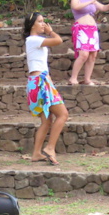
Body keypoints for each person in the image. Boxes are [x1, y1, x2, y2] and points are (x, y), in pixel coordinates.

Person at [24, 12, 69, 166]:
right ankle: (50, 148)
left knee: (47, 121)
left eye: (44, 22)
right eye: (40, 22)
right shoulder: (33, 40)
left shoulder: (33, 41)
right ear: (32, 25)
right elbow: (58, 40)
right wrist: (50, 32)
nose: (43, 24)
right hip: (40, 83)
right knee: (63, 114)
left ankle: (36, 153)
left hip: (37, 82)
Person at [69, 0, 109, 85]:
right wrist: (91, 1)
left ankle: (87, 79)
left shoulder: (92, 0)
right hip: (81, 28)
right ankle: (73, 78)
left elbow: (103, 8)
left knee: (92, 55)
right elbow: (76, 7)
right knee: (83, 54)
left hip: (92, 29)